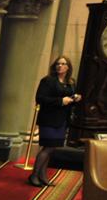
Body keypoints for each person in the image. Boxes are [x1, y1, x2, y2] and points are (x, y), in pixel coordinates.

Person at [31, 55, 80, 187]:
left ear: (68, 67)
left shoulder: (70, 82)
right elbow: (40, 98)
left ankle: (42, 175)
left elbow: (67, 99)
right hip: (49, 119)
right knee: (47, 147)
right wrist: (60, 101)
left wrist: (74, 99)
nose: (60, 66)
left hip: (62, 120)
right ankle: (34, 175)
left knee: (52, 149)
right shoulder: (48, 81)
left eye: (63, 64)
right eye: (58, 63)